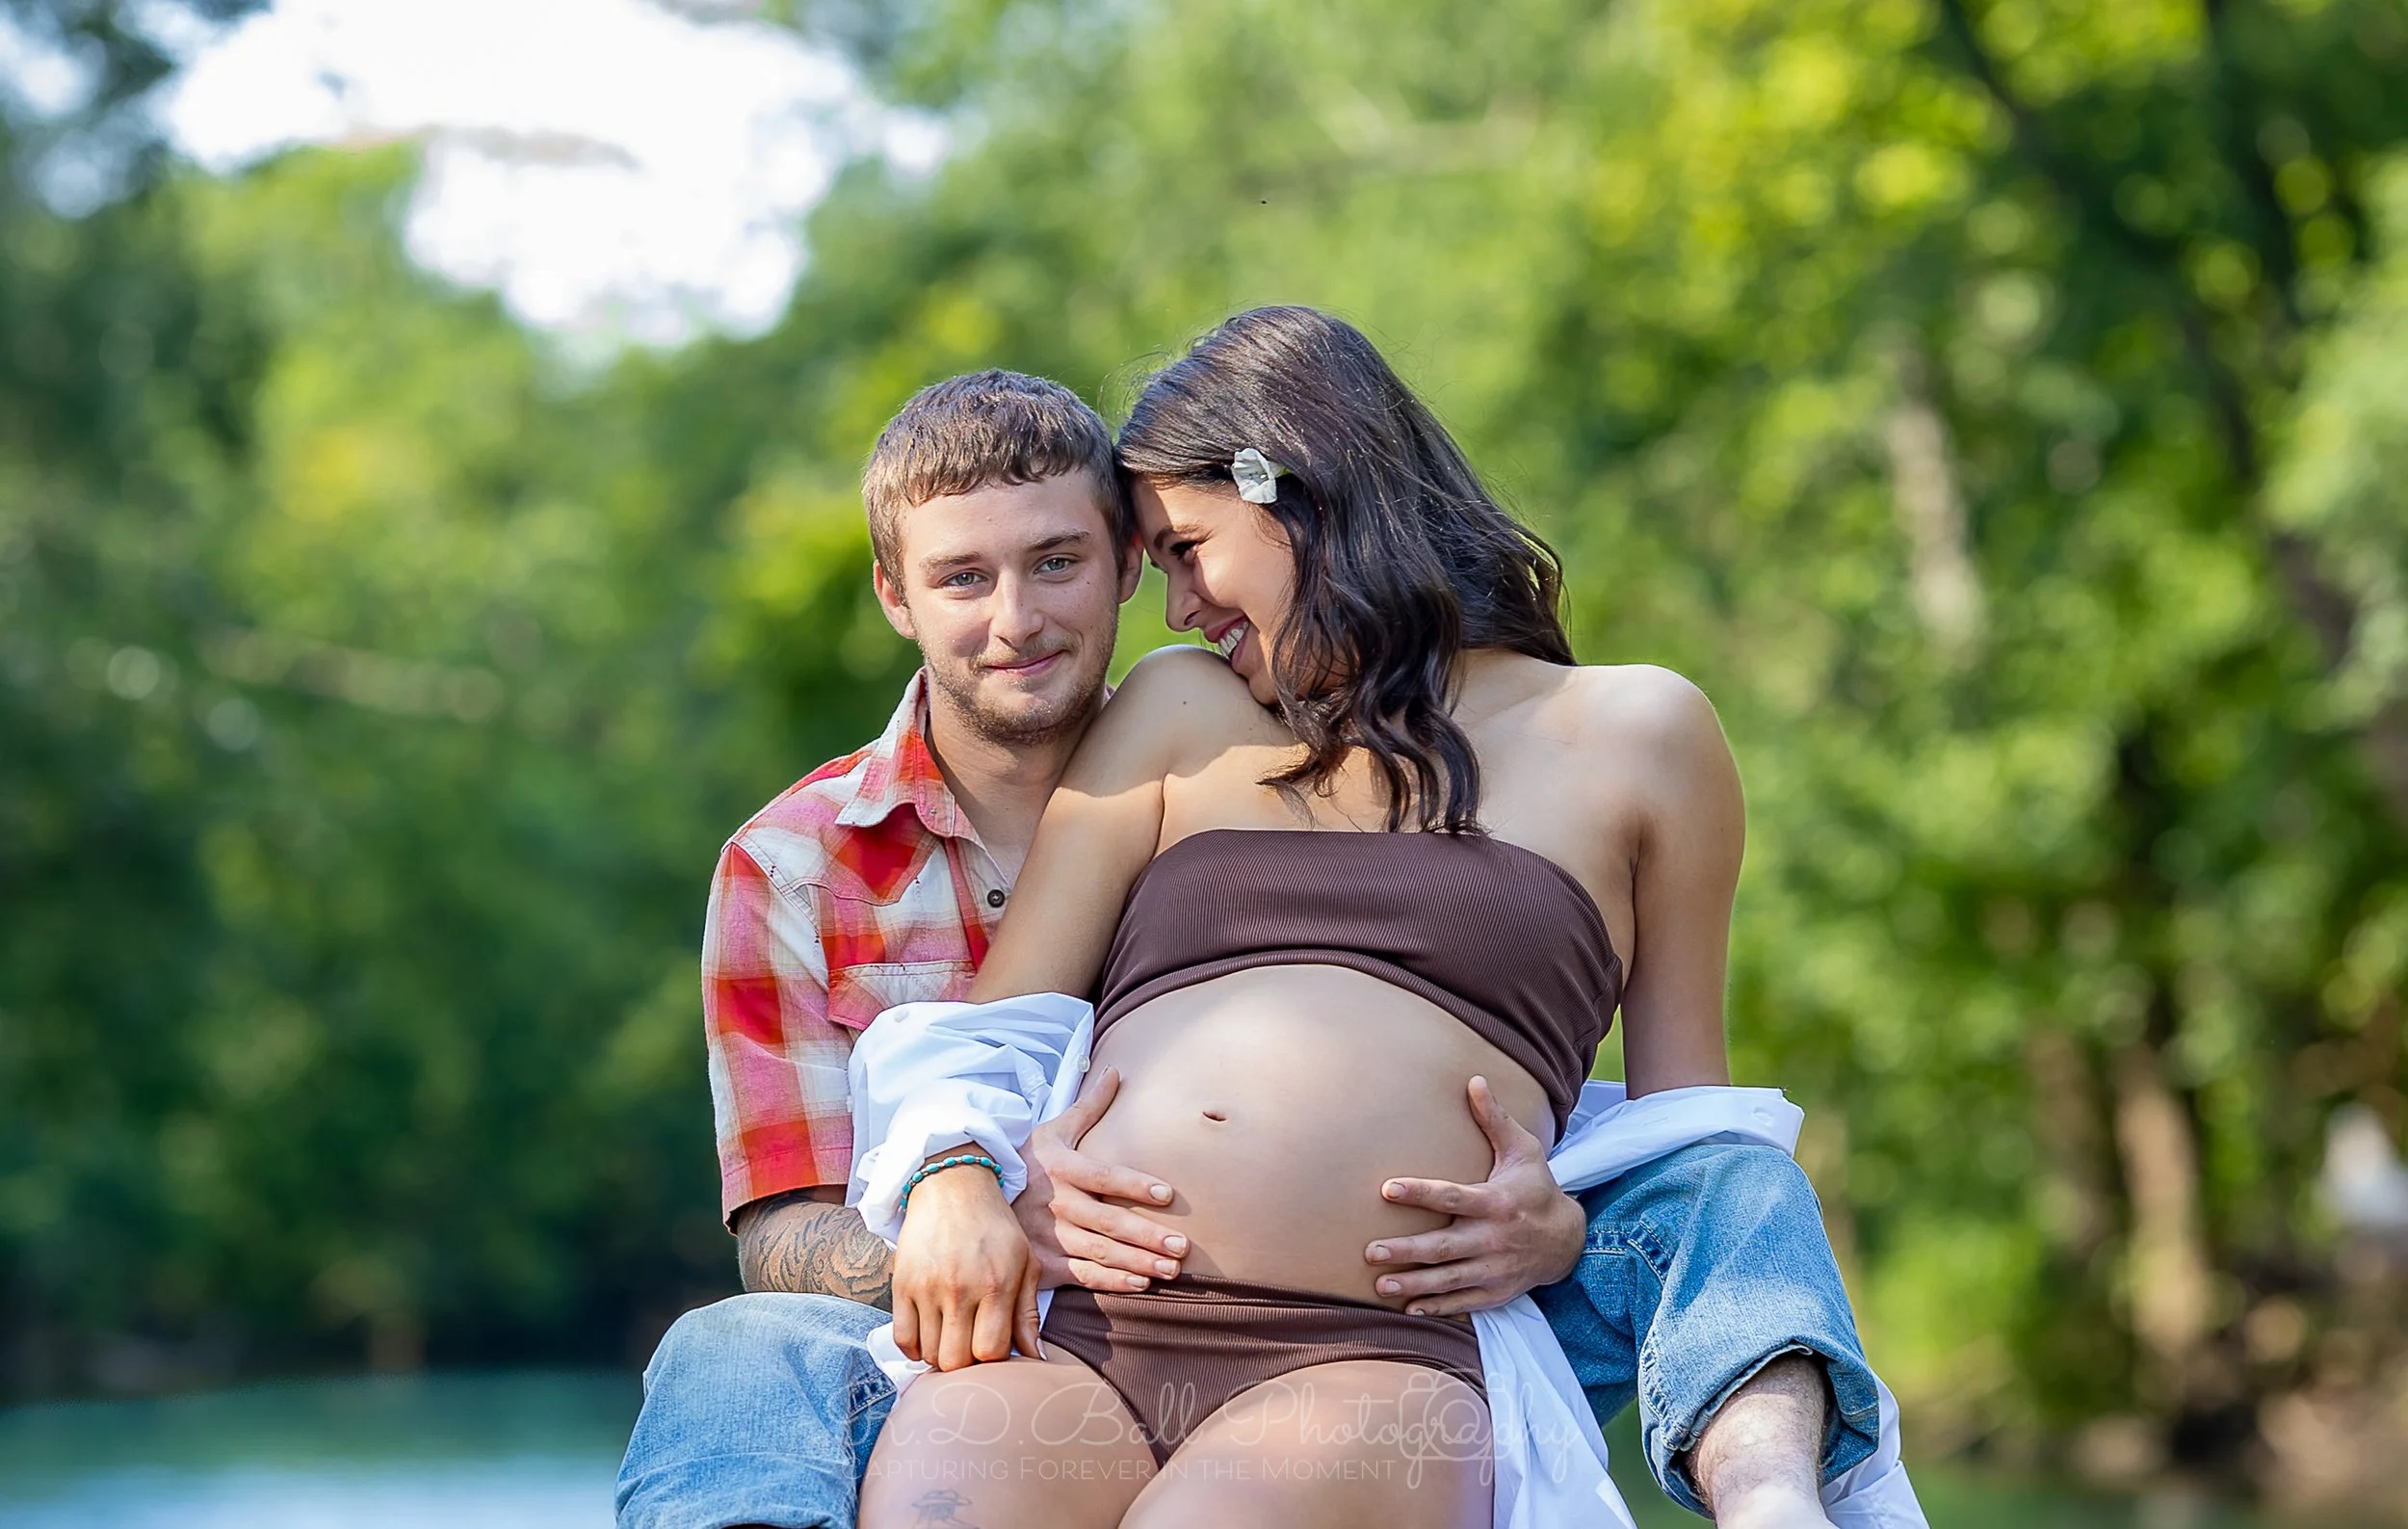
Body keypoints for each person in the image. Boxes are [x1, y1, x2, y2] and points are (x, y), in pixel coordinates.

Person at [615, 363, 1883, 1529]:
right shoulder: (813, 857)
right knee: (750, 1361)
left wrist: (1569, 1227)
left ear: (1296, 501)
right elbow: (848, 1171)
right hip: (1069, 1335)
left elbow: (1682, 1138)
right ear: (896, 592)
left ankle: (1780, 1507)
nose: (1021, 616)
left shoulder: (1623, 733)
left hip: (1385, 1335)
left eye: (1115, 557)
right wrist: (964, 1193)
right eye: (963, 576)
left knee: (1740, 1178)